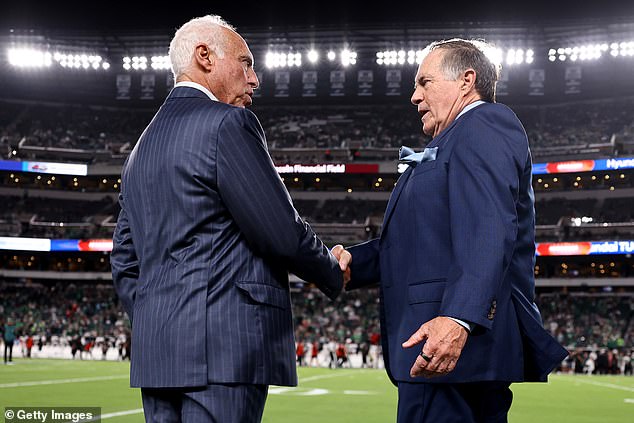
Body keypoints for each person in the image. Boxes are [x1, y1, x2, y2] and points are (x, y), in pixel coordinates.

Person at [110, 14, 343, 423]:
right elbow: (280, 232)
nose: (255, 80)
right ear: (205, 57)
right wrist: (332, 270)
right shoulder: (228, 123)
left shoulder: (138, 151)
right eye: (246, 62)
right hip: (223, 350)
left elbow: (124, 262)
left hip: (159, 353)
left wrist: (162, 319)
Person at [332, 38, 568, 422]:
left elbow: (489, 227)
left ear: (466, 80)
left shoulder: (483, 123)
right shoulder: (455, 138)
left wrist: (458, 319)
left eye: (424, 82)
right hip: (445, 351)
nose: (414, 96)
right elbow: (418, 243)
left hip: (449, 347)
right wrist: (350, 262)